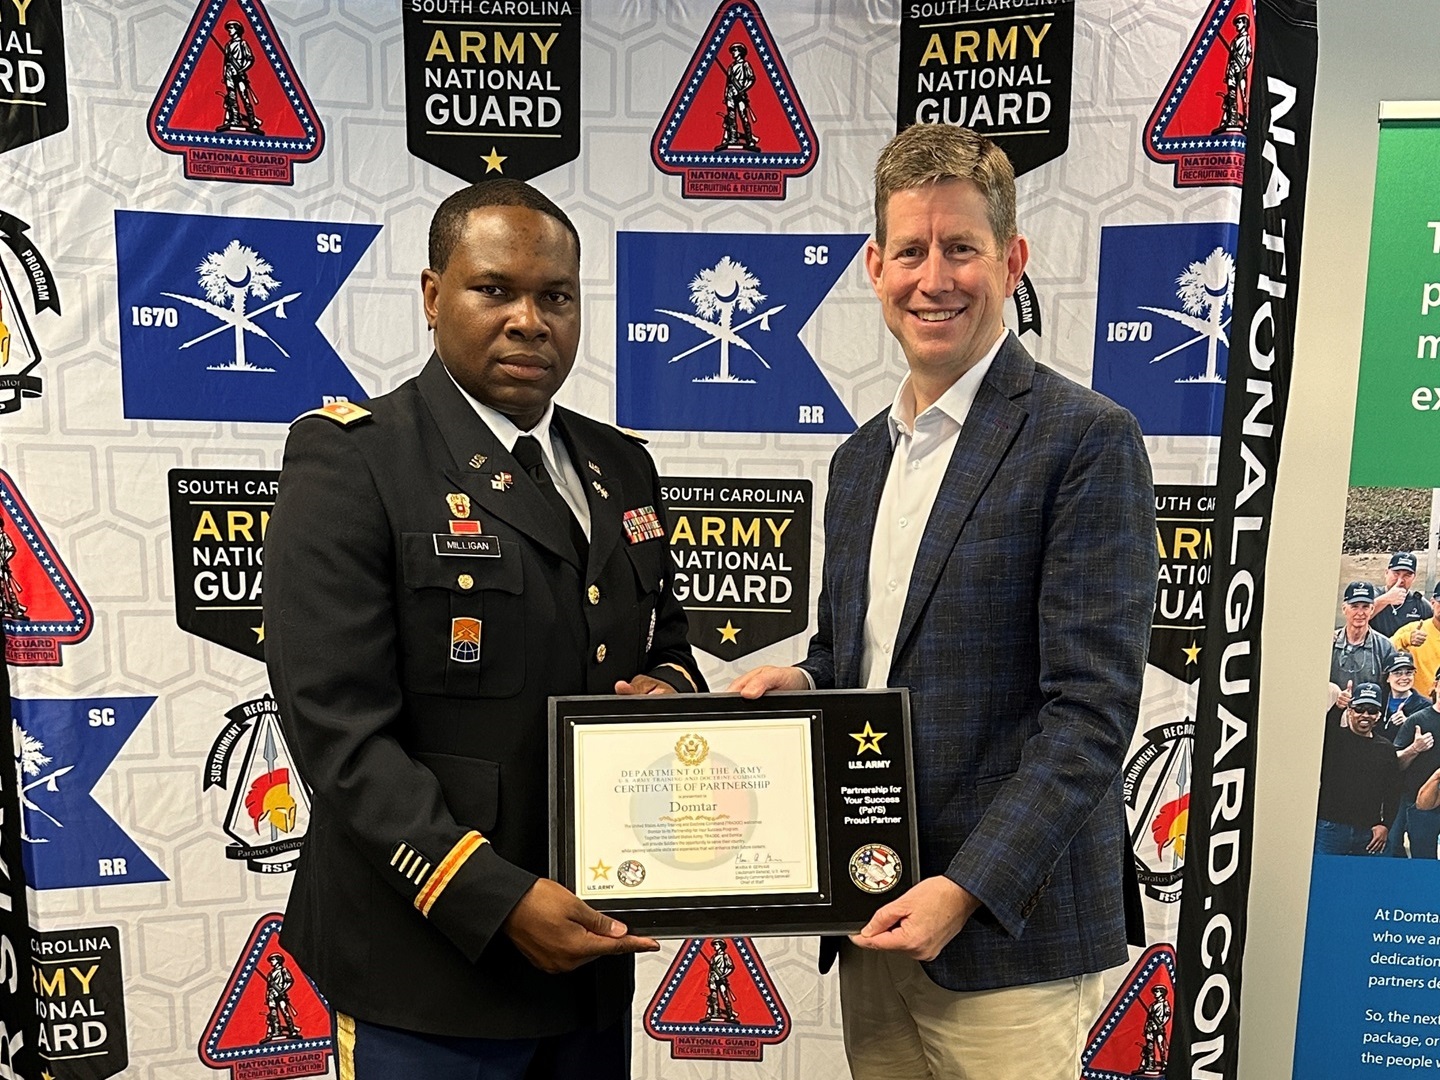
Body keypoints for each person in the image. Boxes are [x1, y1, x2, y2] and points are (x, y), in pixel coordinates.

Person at [730, 124, 1156, 1080]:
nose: (936, 278)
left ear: (1012, 260)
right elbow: (856, 656)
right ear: (875, 267)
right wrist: (798, 677)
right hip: (872, 904)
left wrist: (964, 888)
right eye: (912, 251)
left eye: (961, 249)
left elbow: (1089, 713)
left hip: (1009, 929)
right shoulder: (856, 463)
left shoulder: (1085, 439)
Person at [263, 178, 706, 1078]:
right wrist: (491, 897)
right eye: (495, 288)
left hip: (587, 954)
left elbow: (668, 645)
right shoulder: (356, 457)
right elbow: (337, 731)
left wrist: (672, 692)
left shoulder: (622, 465)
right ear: (433, 296)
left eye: (556, 296)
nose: (529, 321)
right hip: (427, 964)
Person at [1314, 684, 1400, 856]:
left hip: (1368, 831)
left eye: (1372, 710)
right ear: (1350, 711)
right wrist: (1337, 708)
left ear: (1378, 715)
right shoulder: (1335, 739)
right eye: (1360, 709)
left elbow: (1393, 791)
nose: (1365, 715)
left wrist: (1386, 825)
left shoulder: (1386, 749)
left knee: (1368, 880)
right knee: (1326, 878)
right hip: (1330, 827)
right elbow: (1322, 731)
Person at [1387, 675, 1440, 858]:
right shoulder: (1417, 720)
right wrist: (1414, 749)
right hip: (1419, 805)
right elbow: (1395, 764)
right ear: (1435, 685)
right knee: (1423, 862)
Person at [1330, 580, 1398, 703]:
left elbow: (1391, 689)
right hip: (1331, 715)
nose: (1360, 613)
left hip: (1368, 716)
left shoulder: (1385, 647)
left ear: (1372, 609)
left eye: (1365, 607)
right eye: (1354, 606)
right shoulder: (1330, 643)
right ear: (1344, 609)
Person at [1391, 583, 1440, 697]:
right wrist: (1406, 639)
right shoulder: (1414, 629)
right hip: (1418, 707)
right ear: (1432, 603)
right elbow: (1384, 649)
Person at [1369, 551, 1433, 637]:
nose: (1400, 580)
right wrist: (1386, 599)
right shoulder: (1373, 594)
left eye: (1407, 575)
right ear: (1386, 573)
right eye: (1396, 574)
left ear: (1414, 578)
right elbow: (1357, 616)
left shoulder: (1420, 604)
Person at [216, 20, 262, 134]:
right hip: (229, 74)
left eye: (231, 28)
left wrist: (242, 69)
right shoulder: (228, 45)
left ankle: (252, 121)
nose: (229, 31)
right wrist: (225, 74)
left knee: (244, 97)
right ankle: (235, 120)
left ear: (237, 30)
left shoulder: (242, 43)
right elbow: (226, 62)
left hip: (239, 74)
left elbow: (250, 59)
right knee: (232, 98)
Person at [1378, 652, 1429, 742]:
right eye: (1397, 673)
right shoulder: (1378, 700)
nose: (1404, 678)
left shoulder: (1425, 706)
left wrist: (1408, 723)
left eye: (1408, 673)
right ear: (1387, 678)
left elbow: (1430, 736)